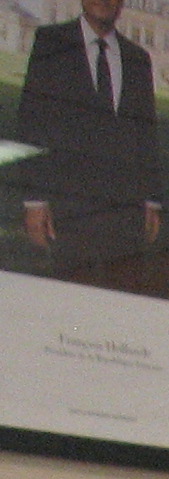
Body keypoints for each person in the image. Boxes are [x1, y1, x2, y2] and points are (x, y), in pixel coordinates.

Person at [14, 0, 161, 275]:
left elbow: (146, 135)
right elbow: (32, 121)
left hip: (123, 212)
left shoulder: (137, 59)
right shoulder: (52, 43)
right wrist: (35, 201)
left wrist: (151, 201)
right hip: (67, 208)